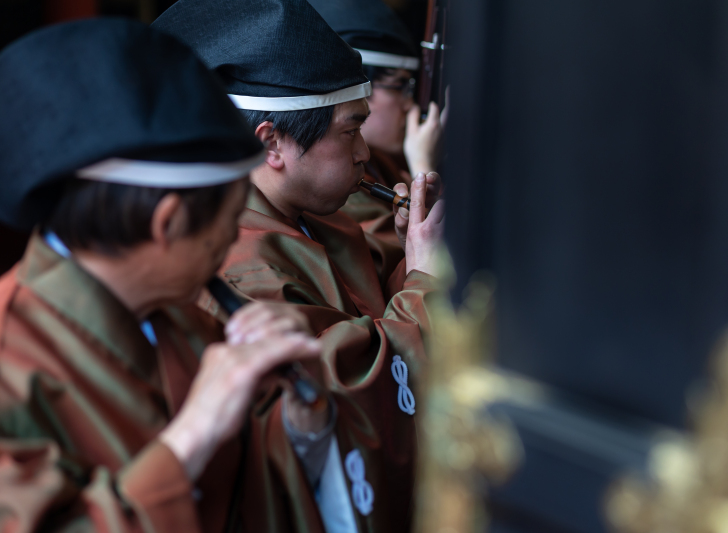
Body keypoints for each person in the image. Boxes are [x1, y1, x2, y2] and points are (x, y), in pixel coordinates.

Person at [0, 19, 327, 532]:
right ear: (168, 221)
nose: (235, 234)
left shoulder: (186, 318)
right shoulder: (9, 356)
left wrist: (301, 421)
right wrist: (194, 431)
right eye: (232, 213)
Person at [153, 0, 444, 531]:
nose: (362, 153)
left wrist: (409, 255)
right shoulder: (239, 263)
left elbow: (371, 325)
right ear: (272, 144)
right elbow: (348, 389)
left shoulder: (324, 221)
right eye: (349, 130)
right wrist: (424, 280)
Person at [309, 0, 448, 244]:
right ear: (359, 88)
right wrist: (423, 166)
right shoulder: (333, 177)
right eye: (399, 86)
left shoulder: (381, 162)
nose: (409, 105)